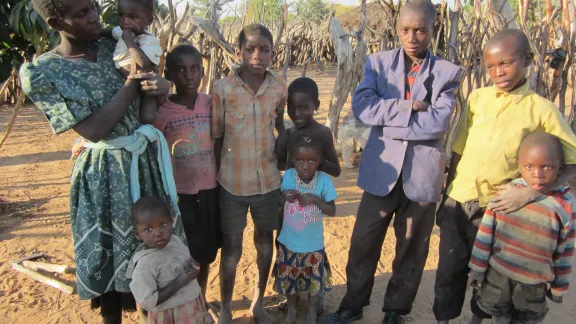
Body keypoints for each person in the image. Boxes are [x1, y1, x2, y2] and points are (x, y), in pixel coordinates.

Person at [20, 1, 186, 323]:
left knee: (155, 253)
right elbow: (94, 130)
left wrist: (162, 87)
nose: (94, 17)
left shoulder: (118, 43)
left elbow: (153, 81)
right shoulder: (43, 71)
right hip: (103, 179)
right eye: (81, 14)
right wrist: (132, 81)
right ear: (56, 22)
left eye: (93, 7)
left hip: (144, 166)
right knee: (108, 269)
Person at [324, 1, 462, 323]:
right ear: (397, 28)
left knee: (411, 248)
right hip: (381, 171)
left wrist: (387, 117)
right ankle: (352, 305)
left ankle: (395, 311)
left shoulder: (447, 73)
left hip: (422, 176)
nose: (411, 37)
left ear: (433, 29)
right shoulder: (377, 63)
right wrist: (409, 106)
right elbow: (362, 108)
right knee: (363, 242)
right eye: (405, 29)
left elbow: (438, 123)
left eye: (420, 30)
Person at [433, 28, 576, 324]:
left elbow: (572, 161)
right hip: (458, 200)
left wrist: (533, 192)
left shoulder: (542, 110)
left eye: (506, 63)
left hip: (498, 208)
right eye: (491, 66)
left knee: (486, 273)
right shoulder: (477, 98)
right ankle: (443, 319)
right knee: (448, 268)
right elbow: (459, 150)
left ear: (526, 60)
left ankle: (478, 318)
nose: (498, 72)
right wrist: (446, 196)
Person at [211, 24, 287, 324]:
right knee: (231, 250)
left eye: (265, 49)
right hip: (231, 184)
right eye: (250, 49)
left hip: (268, 183)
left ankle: (257, 304)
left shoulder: (279, 86)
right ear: (237, 51)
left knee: (265, 244)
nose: (257, 55)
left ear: (272, 53)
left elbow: (280, 122)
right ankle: (227, 307)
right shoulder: (222, 89)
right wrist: (215, 181)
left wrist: (285, 145)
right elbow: (216, 137)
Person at [467, 132, 575, 324]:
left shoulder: (565, 204)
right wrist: (478, 268)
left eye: (547, 167)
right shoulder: (507, 194)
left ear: (560, 168)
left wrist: (559, 285)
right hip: (499, 274)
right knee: (492, 311)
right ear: (519, 165)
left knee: (527, 318)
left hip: (534, 283)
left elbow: (566, 248)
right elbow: (485, 236)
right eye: (529, 166)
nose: (538, 174)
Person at [153, 44, 220, 297]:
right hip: (181, 195)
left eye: (195, 69)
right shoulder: (162, 112)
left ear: (203, 72)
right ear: (169, 75)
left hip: (210, 189)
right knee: (184, 252)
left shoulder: (210, 104)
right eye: (181, 70)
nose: (189, 76)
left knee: (206, 253)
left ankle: (200, 298)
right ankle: (184, 301)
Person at [70, 0, 162, 158]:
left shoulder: (149, 41)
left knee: (147, 117)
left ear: (149, 21)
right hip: (125, 81)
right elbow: (106, 32)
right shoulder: (121, 31)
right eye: (121, 16)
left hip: (143, 82)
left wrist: (130, 42)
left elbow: (143, 63)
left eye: (133, 17)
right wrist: (92, 35)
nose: (126, 22)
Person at [274, 130, 338, 324]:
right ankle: (291, 310)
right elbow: (277, 200)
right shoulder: (289, 177)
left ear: (320, 161)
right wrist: (284, 197)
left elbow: (332, 210)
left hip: (313, 244)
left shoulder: (324, 181)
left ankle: (311, 312)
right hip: (288, 243)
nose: (305, 165)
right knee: (290, 281)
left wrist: (316, 201)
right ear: (293, 160)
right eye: (300, 160)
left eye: (311, 160)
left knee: (314, 283)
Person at [127, 197, 214, 324]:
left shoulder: (175, 241)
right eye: (148, 229)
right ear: (137, 234)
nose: (158, 233)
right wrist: (178, 283)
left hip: (192, 307)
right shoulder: (144, 265)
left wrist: (193, 265)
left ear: (171, 222)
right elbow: (147, 301)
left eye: (163, 225)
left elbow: (186, 260)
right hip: (169, 315)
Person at [275, 77, 341, 177]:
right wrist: (281, 131)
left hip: (315, 191)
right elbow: (279, 164)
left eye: (302, 108)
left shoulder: (323, 133)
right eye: (291, 108)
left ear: (316, 105)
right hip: (291, 190)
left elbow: (336, 171)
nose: (296, 113)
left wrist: (315, 162)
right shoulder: (288, 134)